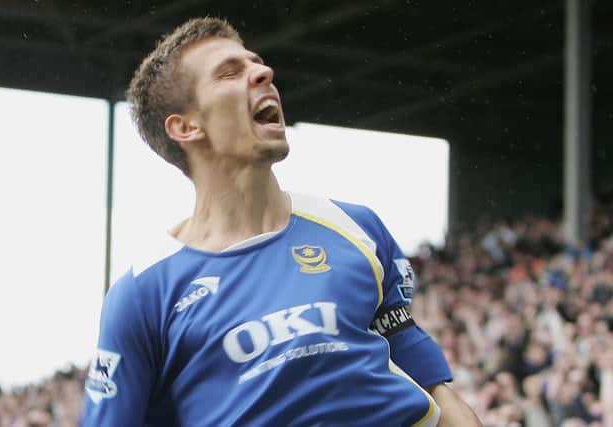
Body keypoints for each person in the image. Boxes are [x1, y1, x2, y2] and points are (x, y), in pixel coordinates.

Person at [82, 17, 482, 427]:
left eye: (256, 63)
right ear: (186, 126)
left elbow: (431, 387)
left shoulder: (354, 225)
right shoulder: (143, 292)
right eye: (230, 73)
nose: (264, 72)